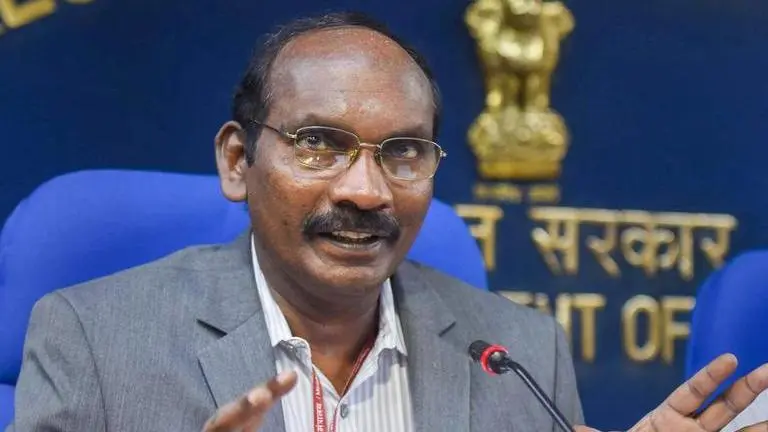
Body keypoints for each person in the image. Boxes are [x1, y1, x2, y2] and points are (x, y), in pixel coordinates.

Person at [8, 12, 768, 432]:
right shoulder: (93, 340)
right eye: (319, 144)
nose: (367, 191)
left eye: (403, 152)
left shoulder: (521, 353)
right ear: (238, 161)